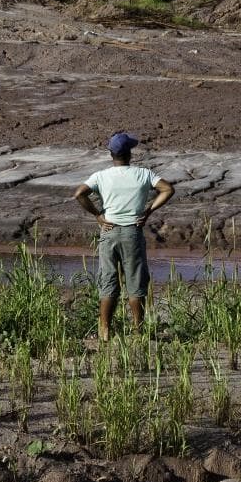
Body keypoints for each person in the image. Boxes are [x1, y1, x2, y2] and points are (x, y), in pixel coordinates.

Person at [73, 131, 175, 341]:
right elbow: (167, 189)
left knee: (108, 282)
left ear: (111, 154)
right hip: (132, 232)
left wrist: (98, 215)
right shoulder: (143, 174)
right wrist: (148, 211)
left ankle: (104, 331)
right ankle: (138, 332)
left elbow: (79, 193)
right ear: (130, 153)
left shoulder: (100, 176)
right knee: (136, 283)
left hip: (108, 232)